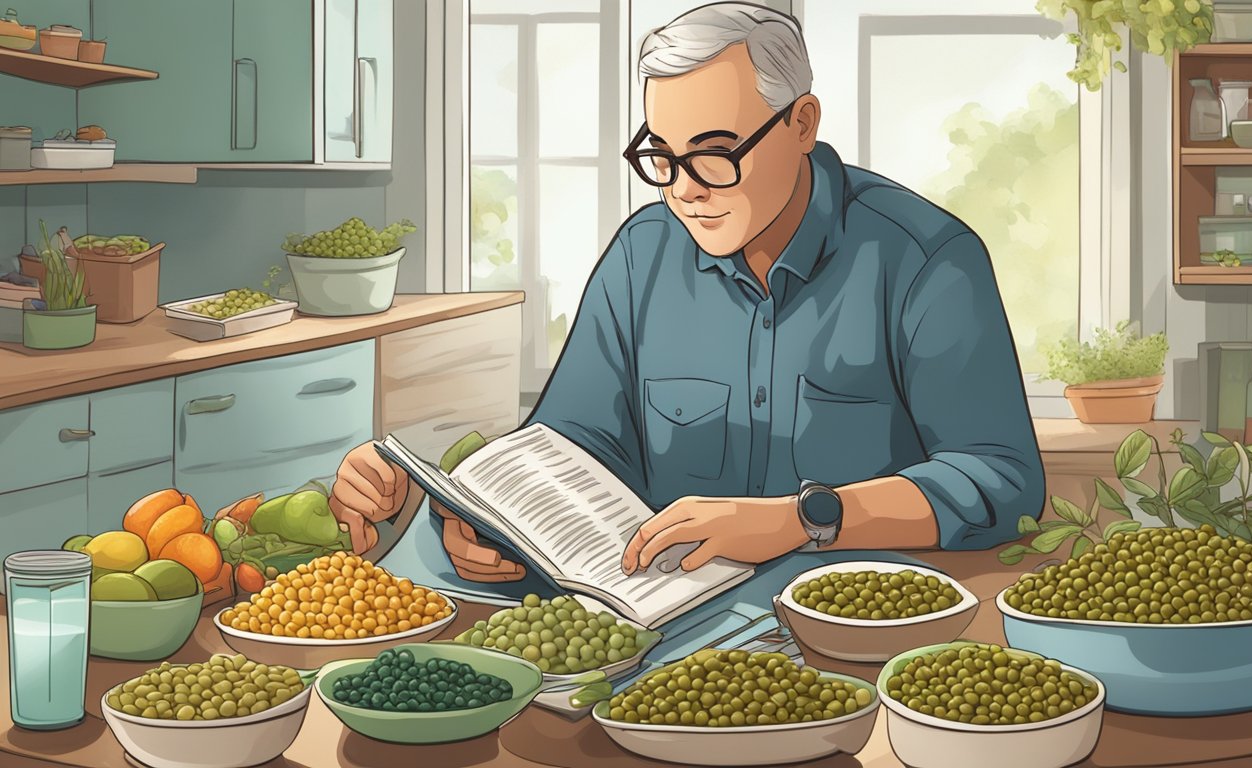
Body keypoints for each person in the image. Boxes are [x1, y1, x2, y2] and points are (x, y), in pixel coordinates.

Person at [331, 2, 1044, 583]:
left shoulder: (928, 262)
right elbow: (570, 450)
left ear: (802, 124)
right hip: (661, 636)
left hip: (858, 633)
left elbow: (1003, 485)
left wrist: (802, 520)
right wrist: (457, 513)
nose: (684, 189)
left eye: (714, 153)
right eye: (662, 157)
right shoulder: (642, 258)